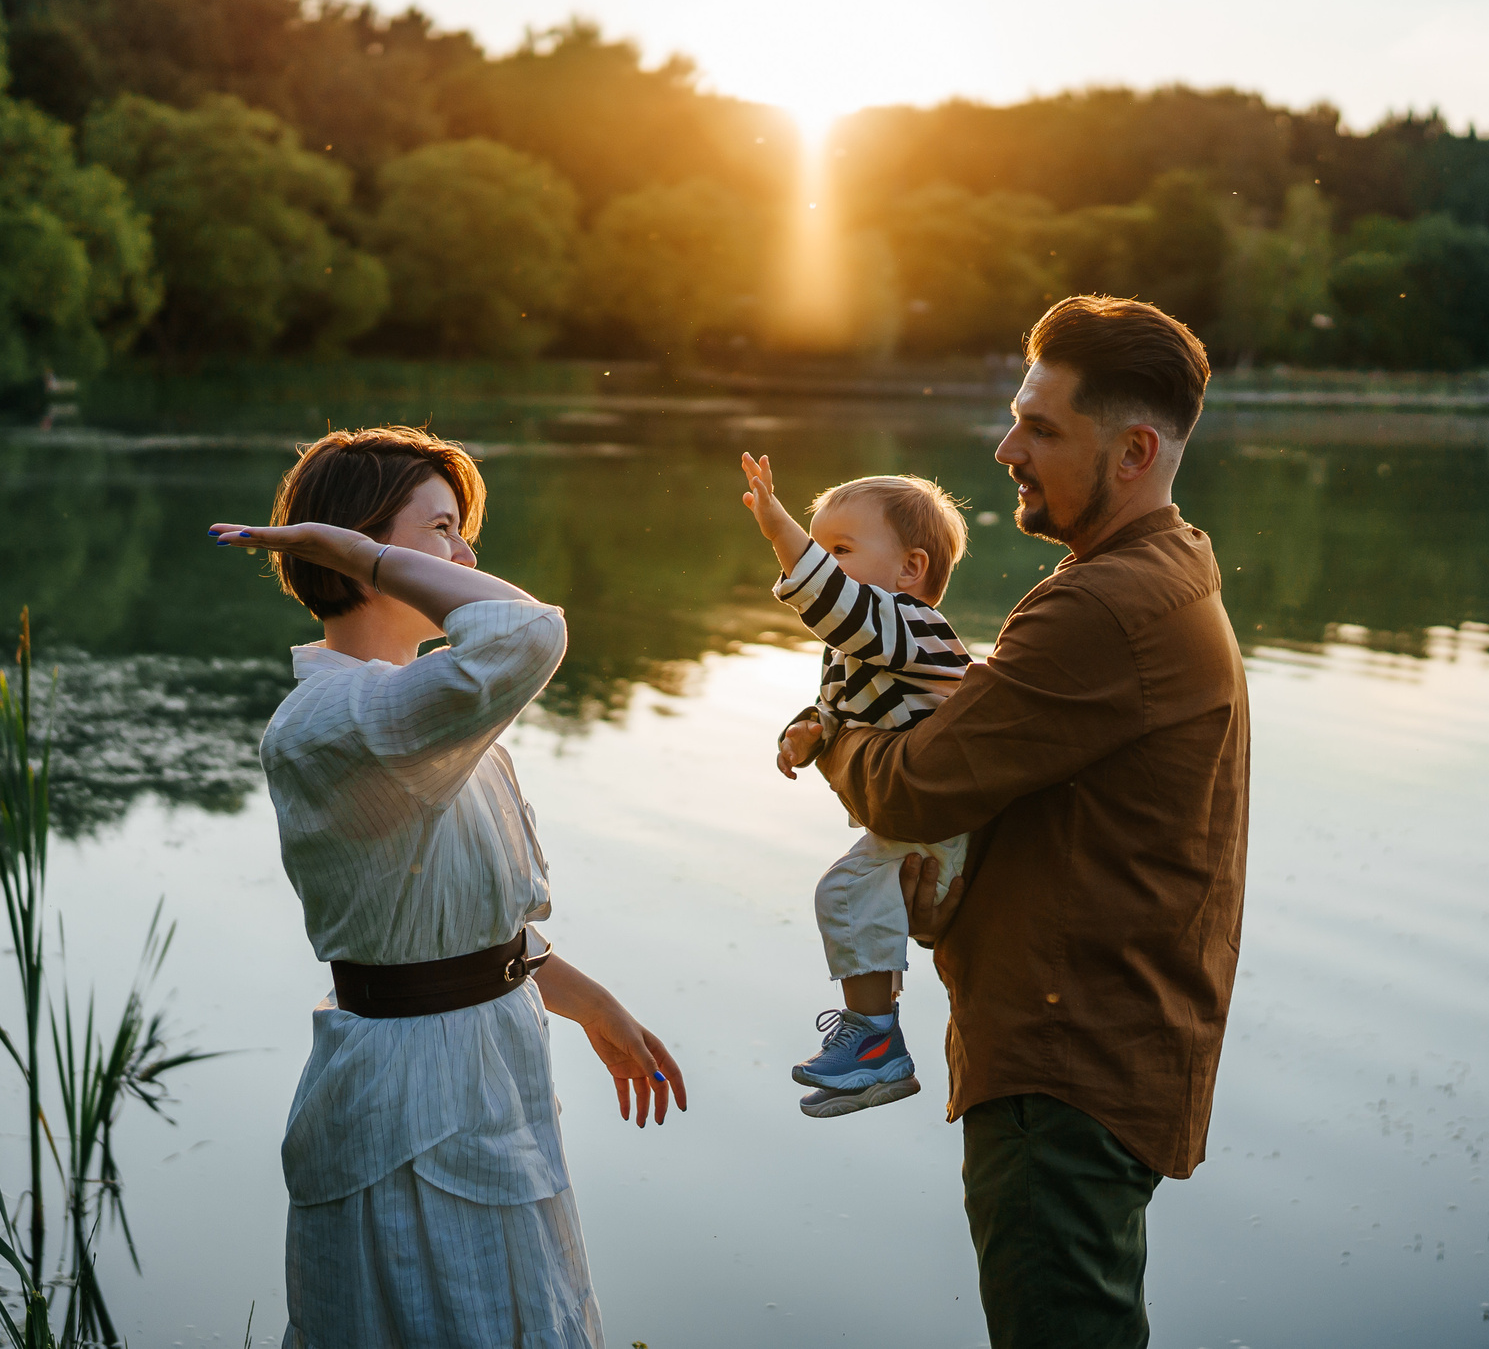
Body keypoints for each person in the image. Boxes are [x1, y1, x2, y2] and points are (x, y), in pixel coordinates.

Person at [809, 296, 1250, 1349]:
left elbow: (913, 790)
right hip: (1094, 1043)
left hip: (1066, 1067)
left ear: (1135, 449)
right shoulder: (1164, 566)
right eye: (1016, 418)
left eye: (1042, 429)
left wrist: (826, 729)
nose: (1006, 448)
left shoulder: (1098, 607)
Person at [209, 425, 688, 1349]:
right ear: (357, 542)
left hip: (486, 1064)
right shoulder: (341, 719)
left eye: (464, 532)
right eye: (441, 528)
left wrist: (589, 1003)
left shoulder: (415, 707)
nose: (466, 554)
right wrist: (372, 558)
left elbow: (448, 917)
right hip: (411, 1105)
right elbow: (528, 630)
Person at [736, 457, 972, 1116]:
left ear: (911, 569)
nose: (820, 561)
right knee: (848, 895)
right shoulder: (864, 646)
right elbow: (839, 704)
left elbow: (833, 603)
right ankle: (874, 1042)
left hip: (943, 829)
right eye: (819, 545)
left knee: (842, 892)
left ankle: (876, 1046)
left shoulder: (910, 626)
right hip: (915, 823)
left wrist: (779, 527)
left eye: (838, 549)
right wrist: (808, 728)